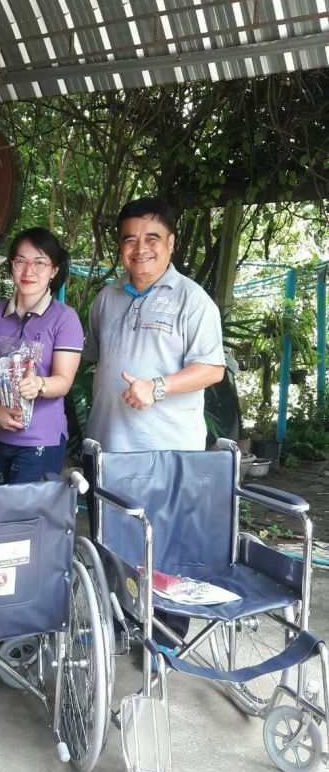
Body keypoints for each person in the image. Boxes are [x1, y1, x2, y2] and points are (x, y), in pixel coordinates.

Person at [83, 197, 225, 651]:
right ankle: (119, 625)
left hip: (167, 452)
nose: (140, 248)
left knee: (165, 548)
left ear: (171, 243)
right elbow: (89, 357)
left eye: (152, 238)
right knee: (110, 542)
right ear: (119, 246)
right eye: (130, 239)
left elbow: (212, 369)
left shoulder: (192, 300)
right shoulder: (106, 298)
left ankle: (164, 636)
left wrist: (157, 387)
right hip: (107, 448)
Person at [0, 227, 84, 484]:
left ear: (53, 270)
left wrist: (39, 384)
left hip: (41, 441)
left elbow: (63, 381)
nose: (29, 271)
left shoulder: (64, 318)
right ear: (12, 265)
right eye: (21, 261)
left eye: (39, 263)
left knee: (28, 510)